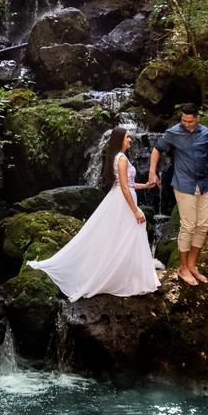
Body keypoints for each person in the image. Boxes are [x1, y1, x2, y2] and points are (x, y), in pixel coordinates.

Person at [27, 127, 160, 301]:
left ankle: (127, 272)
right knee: (131, 230)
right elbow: (125, 187)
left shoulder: (120, 157)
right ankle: (122, 275)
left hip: (122, 197)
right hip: (123, 200)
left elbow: (128, 184)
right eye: (128, 137)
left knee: (125, 234)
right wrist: (135, 210)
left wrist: (145, 186)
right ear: (120, 140)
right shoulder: (121, 159)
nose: (130, 140)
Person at [148, 103, 208, 286]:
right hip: (183, 184)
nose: (187, 124)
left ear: (198, 118)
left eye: (190, 121)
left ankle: (192, 266)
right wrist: (152, 172)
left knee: (203, 225)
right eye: (184, 120)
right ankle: (182, 268)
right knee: (188, 225)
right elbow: (157, 149)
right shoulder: (173, 133)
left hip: (203, 184)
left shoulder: (206, 134)